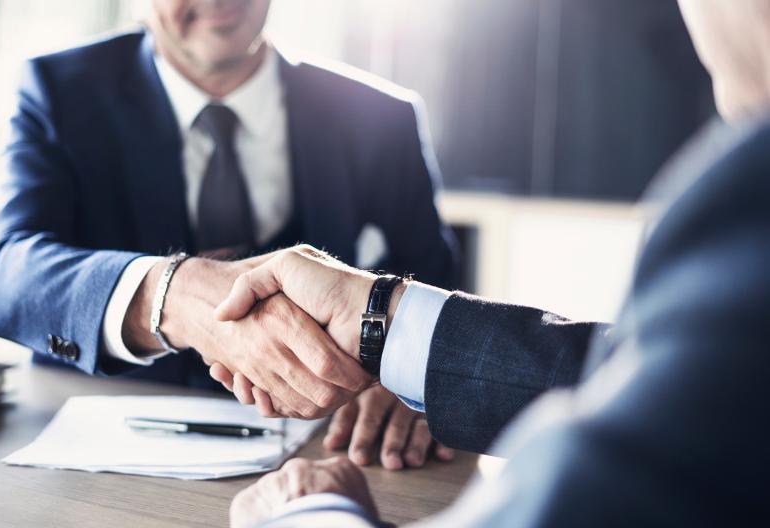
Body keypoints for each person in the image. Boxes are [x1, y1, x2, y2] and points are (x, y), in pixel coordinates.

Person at [217, 0, 770, 525]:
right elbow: (659, 393)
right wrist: (382, 319)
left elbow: (604, 498)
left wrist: (309, 516)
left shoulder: (748, 194)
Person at [0, 0, 457, 470]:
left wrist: (410, 378)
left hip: (328, 451)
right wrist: (173, 295)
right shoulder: (58, 90)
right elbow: (4, 271)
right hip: (102, 448)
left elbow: (435, 288)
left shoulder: (382, 117)